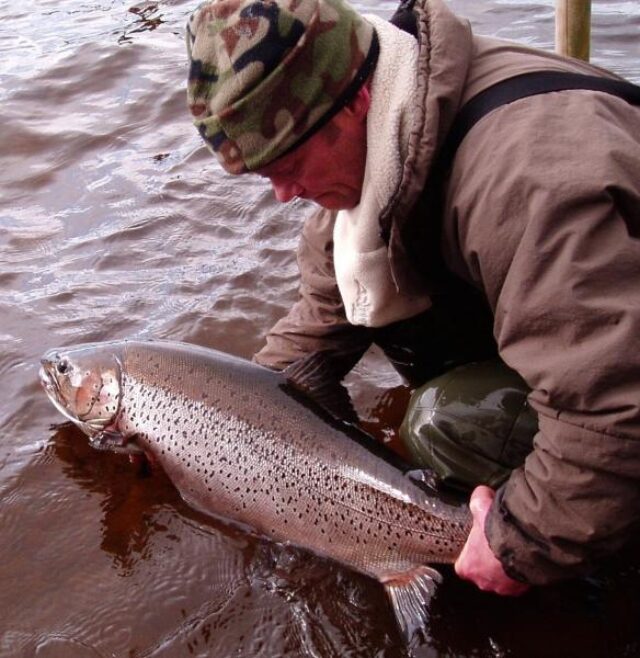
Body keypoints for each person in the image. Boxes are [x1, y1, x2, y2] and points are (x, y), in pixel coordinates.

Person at [185, 0, 640, 596]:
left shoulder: (525, 184)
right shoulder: (381, 155)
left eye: (290, 163)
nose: (282, 193)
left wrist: (522, 537)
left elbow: (612, 405)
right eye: (264, 174)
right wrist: (219, 426)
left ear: (357, 100)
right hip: (607, 325)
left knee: (441, 425)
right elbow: (318, 329)